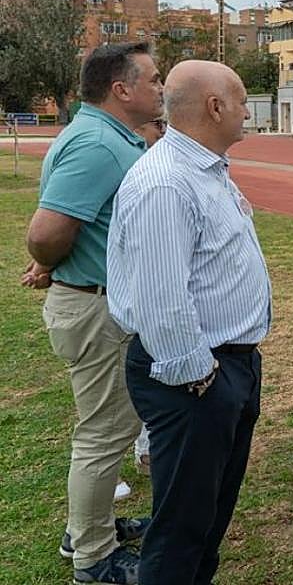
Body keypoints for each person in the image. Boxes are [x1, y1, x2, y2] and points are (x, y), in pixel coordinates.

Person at [108, 60, 271, 584]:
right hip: (197, 376)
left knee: (208, 514)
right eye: (243, 99)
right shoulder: (167, 182)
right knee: (181, 527)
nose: (249, 110)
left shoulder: (203, 168)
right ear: (215, 106)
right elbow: (161, 299)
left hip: (226, 367)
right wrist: (200, 376)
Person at [23, 43, 160, 583]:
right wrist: (50, 262)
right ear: (121, 90)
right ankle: (93, 556)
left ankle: (91, 525)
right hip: (96, 307)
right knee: (104, 434)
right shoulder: (99, 144)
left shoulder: (105, 137)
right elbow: (46, 231)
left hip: (96, 298)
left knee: (106, 430)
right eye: (152, 79)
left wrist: (56, 262)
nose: (160, 87)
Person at [131, 116, 166, 478]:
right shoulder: (158, 179)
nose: (161, 132)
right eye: (156, 125)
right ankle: (148, 451)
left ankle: (147, 448)